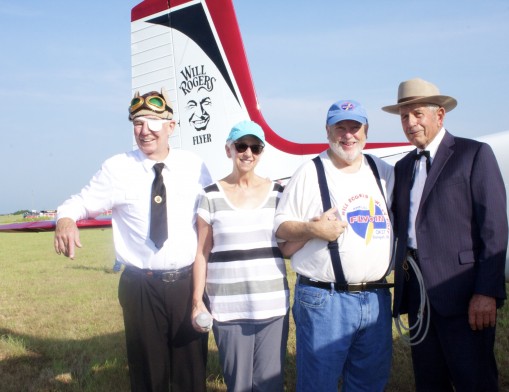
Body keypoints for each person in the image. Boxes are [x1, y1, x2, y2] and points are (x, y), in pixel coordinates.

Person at [54, 88, 212, 392]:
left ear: (171, 126)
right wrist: (65, 219)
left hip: (187, 284)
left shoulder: (195, 166)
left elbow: (215, 212)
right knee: (147, 376)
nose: (145, 130)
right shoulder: (117, 168)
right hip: (141, 286)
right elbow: (81, 201)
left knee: (191, 375)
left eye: (153, 121)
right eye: (138, 122)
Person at [383, 78, 508, 391]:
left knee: (474, 380)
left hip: (464, 293)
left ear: (439, 115)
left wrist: (487, 292)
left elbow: (494, 229)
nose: (410, 123)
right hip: (418, 293)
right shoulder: (402, 167)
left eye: (417, 114)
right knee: (429, 381)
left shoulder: (473, 154)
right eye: (403, 117)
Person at [274, 100, 395, 392]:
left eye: (355, 127)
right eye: (340, 127)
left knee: (369, 384)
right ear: (328, 130)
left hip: (376, 298)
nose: (348, 135)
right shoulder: (310, 172)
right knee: (319, 384)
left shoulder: (384, 172)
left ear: (366, 131)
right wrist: (312, 228)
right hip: (325, 301)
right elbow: (281, 229)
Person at [191, 120, 296, 392]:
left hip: (272, 305)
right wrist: (196, 302)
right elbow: (202, 253)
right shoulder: (210, 196)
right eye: (241, 146)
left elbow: (285, 247)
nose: (247, 153)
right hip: (228, 308)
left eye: (255, 147)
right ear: (229, 150)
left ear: (261, 152)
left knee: (270, 385)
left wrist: (314, 230)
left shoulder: (278, 193)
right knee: (237, 385)